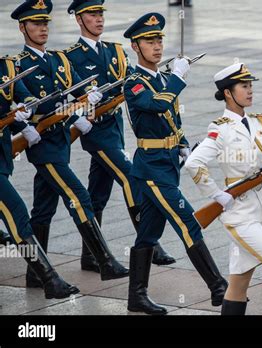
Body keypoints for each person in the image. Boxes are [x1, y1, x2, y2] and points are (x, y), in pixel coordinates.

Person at [11, 0, 129, 288]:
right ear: (22, 27)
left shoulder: (58, 60)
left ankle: (34, 275)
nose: (42, 28)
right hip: (43, 147)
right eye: (36, 23)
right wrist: (23, 125)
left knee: (42, 209)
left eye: (45, 23)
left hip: (60, 141)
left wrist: (85, 104)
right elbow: (20, 101)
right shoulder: (17, 65)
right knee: (79, 196)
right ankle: (104, 261)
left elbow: (80, 88)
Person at [185, 62, 262, 315]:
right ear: (228, 93)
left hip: (258, 212)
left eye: (251, 85)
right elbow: (193, 163)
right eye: (244, 86)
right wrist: (216, 194)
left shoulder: (259, 123)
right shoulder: (219, 129)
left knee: (239, 283)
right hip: (240, 217)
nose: (251, 91)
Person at [123, 12, 227, 315]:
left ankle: (136, 297)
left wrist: (182, 146)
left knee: (148, 234)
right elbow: (157, 104)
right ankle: (218, 286)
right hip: (150, 169)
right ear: (135, 46)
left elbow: (172, 117)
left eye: (159, 40)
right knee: (187, 221)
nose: (156, 46)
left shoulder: (161, 79)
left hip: (167, 163)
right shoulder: (135, 83)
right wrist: (179, 77)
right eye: (149, 41)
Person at [65, 0, 175, 272]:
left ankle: (89, 256)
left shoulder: (114, 51)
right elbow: (63, 98)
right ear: (79, 19)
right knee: (130, 177)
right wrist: (79, 111)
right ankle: (149, 243)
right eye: (92, 14)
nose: (99, 19)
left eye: (101, 13)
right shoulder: (70, 56)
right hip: (95, 132)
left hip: (114, 130)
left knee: (97, 194)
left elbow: (131, 83)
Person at [0, 54, 79, 299]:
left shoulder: (7, 66)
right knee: (17, 214)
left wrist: (24, 114)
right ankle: (49, 280)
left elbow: (25, 96)